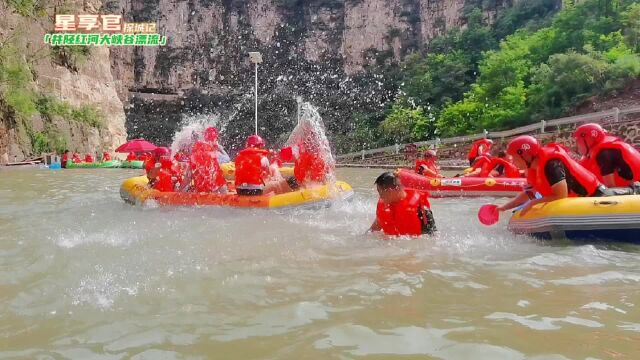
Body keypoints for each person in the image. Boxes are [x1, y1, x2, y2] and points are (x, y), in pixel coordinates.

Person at [495, 135, 636, 214]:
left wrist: (533, 203)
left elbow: (560, 195)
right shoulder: (533, 169)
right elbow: (529, 192)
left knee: (633, 191)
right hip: (582, 200)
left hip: (597, 196)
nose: (512, 161)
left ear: (525, 154)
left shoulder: (552, 163)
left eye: (514, 157)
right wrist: (504, 207)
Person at [368, 172, 436, 236]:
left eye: (380, 193)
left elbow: (431, 239)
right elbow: (375, 228)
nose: (380, 196)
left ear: (390, 191)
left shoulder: (420, 210)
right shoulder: (383, 205)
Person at [574, 123, 640, 188]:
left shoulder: (604, 154)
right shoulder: (604, 150)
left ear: (588, 138)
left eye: (578, 141)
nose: (577, 145)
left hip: (635, 189)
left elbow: (611, 187)